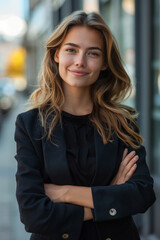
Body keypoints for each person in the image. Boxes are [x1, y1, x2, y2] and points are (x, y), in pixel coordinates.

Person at [14, 11, 155, 240]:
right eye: (71, 49)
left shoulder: (123, 122)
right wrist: (110, 195)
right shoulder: (30, 125)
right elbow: (33, 214)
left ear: (104, 64)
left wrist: (63, 193)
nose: (80, 61)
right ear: (56, 54)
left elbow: (142, 194)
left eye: (93, 53)